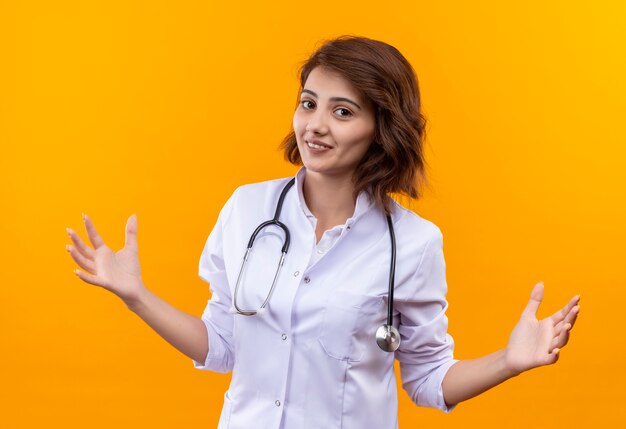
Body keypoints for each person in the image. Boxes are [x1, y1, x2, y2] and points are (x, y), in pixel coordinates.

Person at [65, 36, 580, 429]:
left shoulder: (414, 244)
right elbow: (221, 346)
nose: (315, 125)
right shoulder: (247, 209)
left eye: (343, 111)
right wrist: (135, 296)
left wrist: (509, 363)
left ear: (382, 129)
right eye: (308, 103)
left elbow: (427, 380)